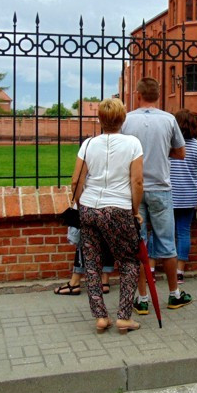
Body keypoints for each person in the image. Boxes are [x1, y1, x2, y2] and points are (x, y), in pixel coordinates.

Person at [72, 98, 144, 334]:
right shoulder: (133, 143)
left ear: (100, 119)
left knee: (92, 263)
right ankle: (123, 315)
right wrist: (135, 211)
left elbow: (77, 180)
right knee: (129, 262)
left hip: (89, 208)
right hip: (118, 207)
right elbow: (137, 181)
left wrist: (79, 204)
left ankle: (100, 316)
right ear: (122, 118)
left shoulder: (88, 144)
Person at [122, 78, 192, 313]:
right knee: (167, 243)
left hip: (135, 188)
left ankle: (142, 298)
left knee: (138, 244)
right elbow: (181, 153)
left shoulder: (127, 120)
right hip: (161, 187)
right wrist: (162, 151)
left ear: (138, 95)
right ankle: (174, 294)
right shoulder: (169, 119)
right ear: (159, 96)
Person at [170, 109, 197, 284]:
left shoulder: (169, 145)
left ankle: (154, 269)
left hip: (169, 195)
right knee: (184, 232)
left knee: (162, 233)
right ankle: (180, 271)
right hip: (188, 195)